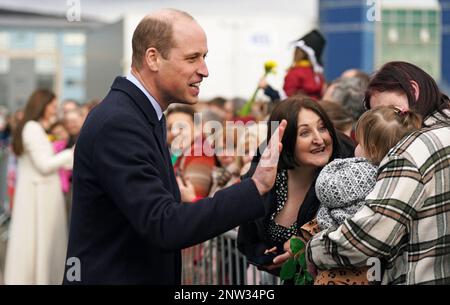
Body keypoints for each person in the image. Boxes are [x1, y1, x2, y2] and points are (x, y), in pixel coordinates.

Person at [63, 8, 287, 285]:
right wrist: (255, 187)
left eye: (204, 57)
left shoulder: (140, 114)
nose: (204, 70)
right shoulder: (120, 121)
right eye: (192, 58)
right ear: (153, 58)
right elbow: (163, 225)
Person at [306, 61, 450, 285]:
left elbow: (370, 237)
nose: (388, 124)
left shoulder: (411, 150)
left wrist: (313, 249)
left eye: (389, 111)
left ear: (413, 90)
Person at [237, 96, 354, 276]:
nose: (319, 139)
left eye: (322, 128)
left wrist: (305, 248)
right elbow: (249, 240)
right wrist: (270, 257)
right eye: (305, 133)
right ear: (286, 142)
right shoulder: (268, 179)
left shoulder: (346, 181)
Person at [311, 106, 421, 285]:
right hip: (377, 265)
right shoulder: (395, 175)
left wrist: (334, 165)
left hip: (343, 261)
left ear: (371, 148)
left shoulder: (363, 171)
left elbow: (326, 190)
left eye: (359, 142)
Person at [4, 89, 73, 284]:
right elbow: (44, 164)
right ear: (41, 105)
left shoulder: (34, 128)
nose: (54, 110)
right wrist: (71, 154)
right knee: (39, 243)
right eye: (52, 105)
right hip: (39, 196)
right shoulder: (32, 128)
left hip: (42, 195)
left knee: (41, 244)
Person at [283, 29, 326, 99]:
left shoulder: (295, 73)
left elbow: (287, 98)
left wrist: (269, 90)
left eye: (296, 50)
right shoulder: (317, 74)